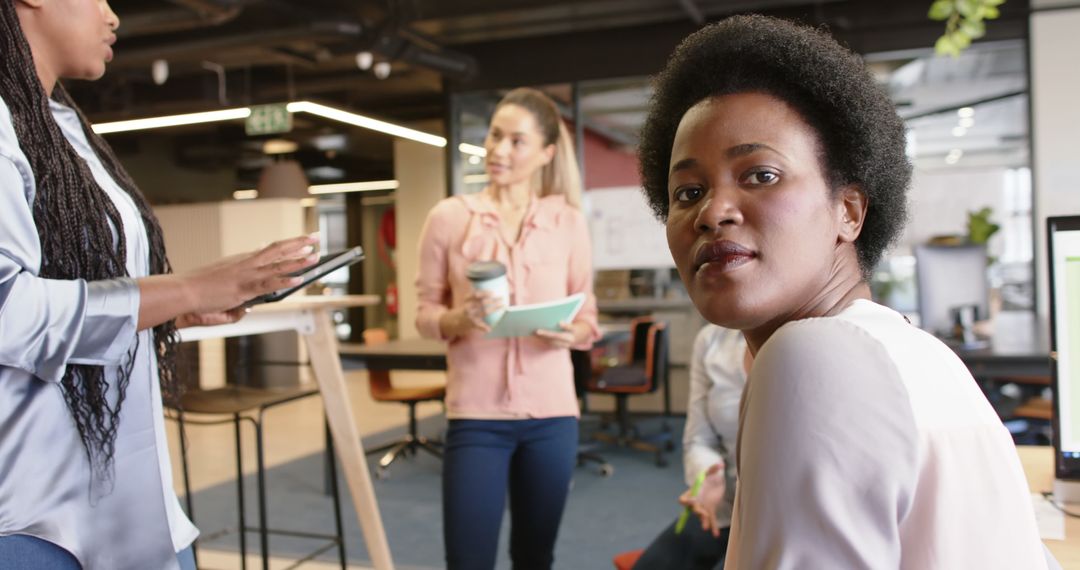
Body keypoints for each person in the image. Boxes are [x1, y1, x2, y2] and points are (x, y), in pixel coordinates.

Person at [636, 14, 1055, 569]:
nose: (713, 212)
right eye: (688, 191)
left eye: (761, 174)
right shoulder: (919, 352)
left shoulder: (811, 355)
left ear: (849, 211)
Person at [0, 2, 318, 569]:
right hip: (34, 519)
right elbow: (7, 309)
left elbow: (79, 287)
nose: (113, 14)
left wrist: (170, 311)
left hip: (129, 499)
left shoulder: (61, 127)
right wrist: (190, 288)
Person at [415, 87, 599, 569]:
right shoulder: (450, 218)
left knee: (535, 557)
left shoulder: (568, 221)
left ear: (545, 154)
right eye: (495, 136)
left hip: (552, 417)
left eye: (517, 141)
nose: (498, 150)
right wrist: (458, 319)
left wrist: (572, 334)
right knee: (468, 559)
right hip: (477, 417)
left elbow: (588, 316)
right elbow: (424, 312)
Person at [633, 324, 747, 570]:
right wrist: (707, 472)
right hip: (726, 504)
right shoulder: (712, 338)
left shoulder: (828, 336)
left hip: (794, 522)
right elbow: (699, 440)